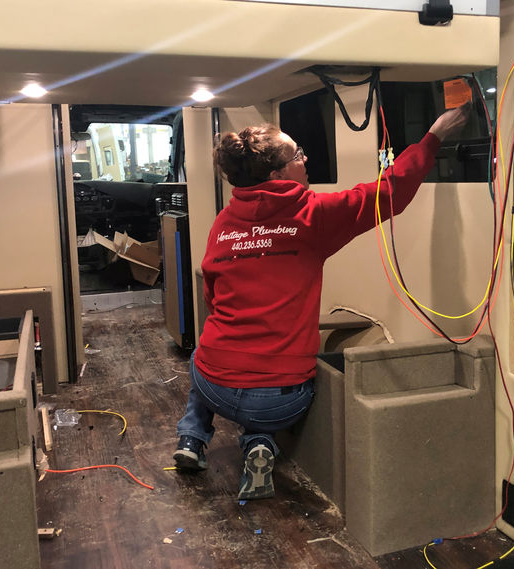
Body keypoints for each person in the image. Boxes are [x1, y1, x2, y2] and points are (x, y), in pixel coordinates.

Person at [173, 104, 469, 500]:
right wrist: (433, 138)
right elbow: (390, 192)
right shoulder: (312, 216)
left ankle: (192, 437)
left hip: (215, 388)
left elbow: (212, 298)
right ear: (278, 174)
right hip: (280, 401)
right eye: (297, 155)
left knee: (202, 354)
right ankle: (259, 442)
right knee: (264, 401)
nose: (306, 158)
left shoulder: (224, 224)